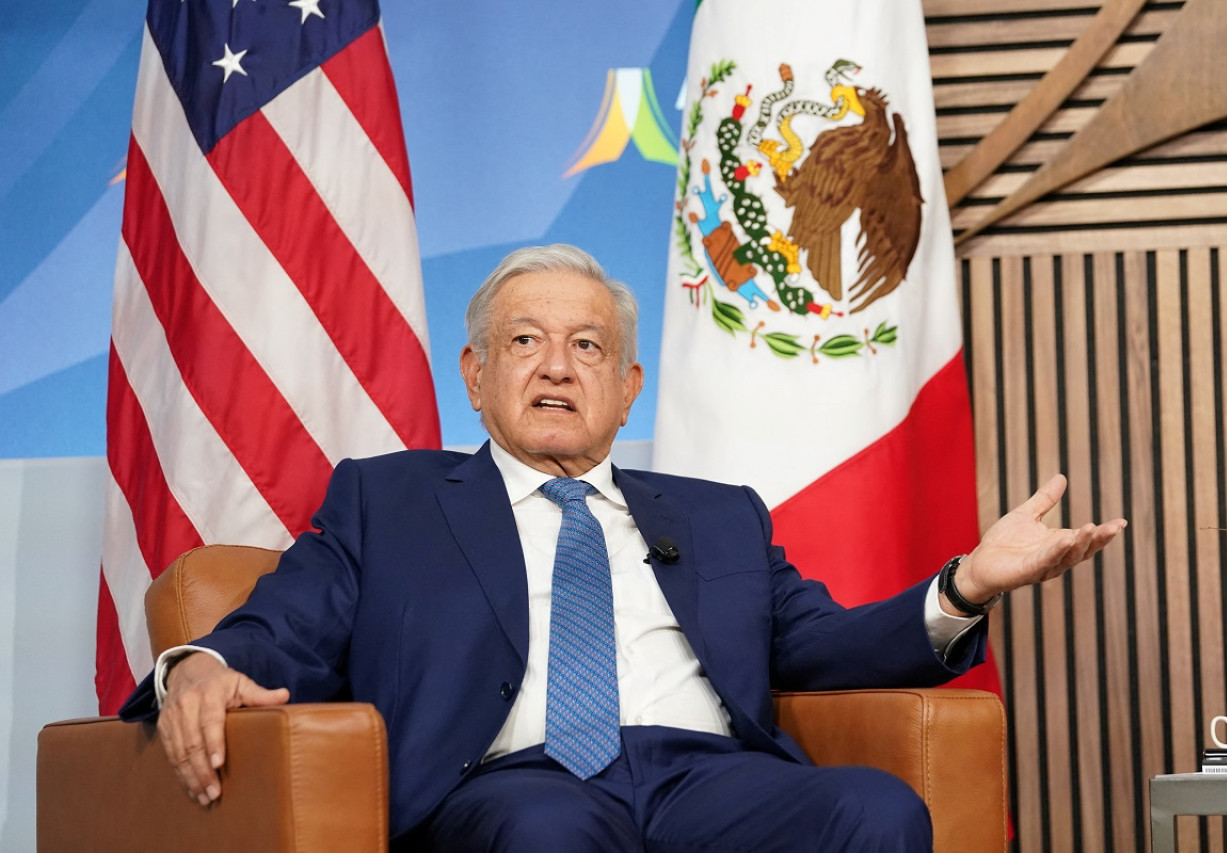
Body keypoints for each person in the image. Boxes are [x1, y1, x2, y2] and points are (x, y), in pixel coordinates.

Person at [121, 244, 1126, 851]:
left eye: (587, 347)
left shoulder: (717, 512)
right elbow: (286, 622)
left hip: (703, 776)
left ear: (627, 385)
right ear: (474, 374)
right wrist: (200, 665)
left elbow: (816, 644)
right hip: (511, 784)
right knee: (551, 831)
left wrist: (962, 585)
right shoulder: (391, 499)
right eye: (524, 341)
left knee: (871, 810)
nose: (557, 367)